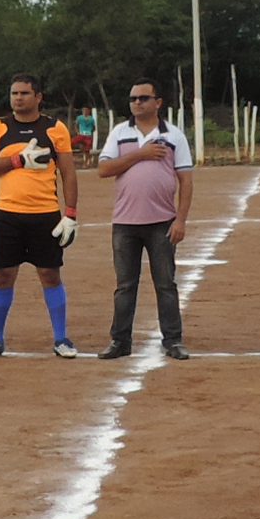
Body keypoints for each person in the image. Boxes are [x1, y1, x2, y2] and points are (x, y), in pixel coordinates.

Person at [0, 74, 82, 358]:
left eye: (24, 93)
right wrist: (18, 160)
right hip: (7, 214)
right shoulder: (0, 126)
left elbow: (68, 172)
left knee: (50, 274)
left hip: (45, 214)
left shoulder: (55, 128)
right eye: (14, 93)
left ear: (38, 97)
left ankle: (61, 338)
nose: (18, 98)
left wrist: (70, 213)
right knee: (3, 276)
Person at [97, 79, 195, 361]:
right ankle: (120, 341)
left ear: (157, 102)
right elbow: (104, 169)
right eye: (133, 99)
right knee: (125, 285)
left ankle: (173, 340)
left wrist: (180, 220)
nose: (137, 103)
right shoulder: (119, 132)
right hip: (125, 222)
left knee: (166, 284)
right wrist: (140, 154)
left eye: (143, 98)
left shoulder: (174, 135)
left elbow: (186, 180)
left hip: (162, 221)